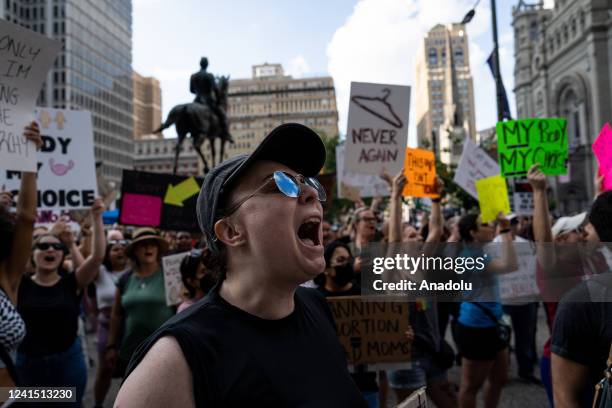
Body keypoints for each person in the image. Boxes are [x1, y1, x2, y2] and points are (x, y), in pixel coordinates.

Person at [116, 123, 366, 407]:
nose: (309, 194)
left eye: (308, 183)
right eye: (281, 184)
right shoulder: (173, 362)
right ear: (231, 232)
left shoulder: (318, 306)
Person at [16, 198, 106, 407]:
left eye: (56, 246)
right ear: (31, 253)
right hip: (28, 368)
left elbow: (97, 256)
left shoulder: (71, 282)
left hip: (67, 365)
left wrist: (97, 217)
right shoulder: (18, 283)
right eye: (44, 246)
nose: (50, 250)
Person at [454, 212, 517, 408]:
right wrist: (505, 229)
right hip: (476, 326)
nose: (491, 227)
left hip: (494, 322)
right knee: (471, 386)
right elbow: (510, 265)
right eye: (485, 225)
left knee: (499, 379)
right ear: (473, 233)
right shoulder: (469, 257)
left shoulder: (480, 253)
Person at [0, 122, 42, 387]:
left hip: (13, 398)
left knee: (62, 396)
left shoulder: (5, 275)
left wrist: (29, 157)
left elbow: (26, 217)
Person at [105, 228, 173, 378]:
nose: (148, 248)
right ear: (135, 250)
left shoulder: (170, 275)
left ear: (157, 249)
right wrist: (110, 346)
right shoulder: (125, 279)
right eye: (143, 244)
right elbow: (116, 315)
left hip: (166, 349)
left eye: (152, 244)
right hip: (132, 350)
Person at [493, 214, 540, 385]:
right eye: (509, 223)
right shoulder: (493, 244)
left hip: (525, 300)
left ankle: (526, 371)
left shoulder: (526, 244)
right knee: (502, 339)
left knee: (525, 339)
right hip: (503, 302)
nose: (512, 226)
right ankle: (502, 373)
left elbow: (533, 268)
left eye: (514, 223)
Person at [92, 238, 130, 408]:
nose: (120, 251)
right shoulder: (100, 271)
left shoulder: (135, 271)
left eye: (123, 248)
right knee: (105, 369)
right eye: (115, 249)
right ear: (107, 254)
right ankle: (98, 404)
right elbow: (91, 257)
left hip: (129, 327)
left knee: (130, 369)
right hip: (106, 325)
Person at [177, 248, 215, 313]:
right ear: (191, 281)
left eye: (208, 268)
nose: (208, 273)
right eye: (202, 271)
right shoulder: (185, 310)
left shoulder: (218, 299)